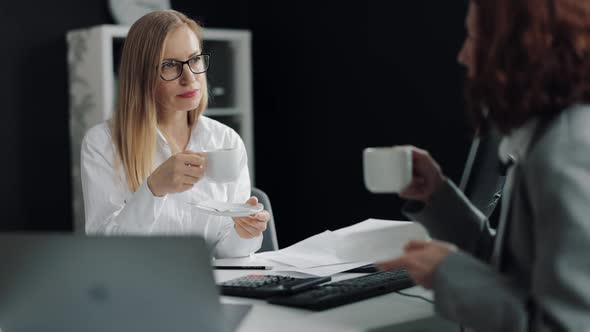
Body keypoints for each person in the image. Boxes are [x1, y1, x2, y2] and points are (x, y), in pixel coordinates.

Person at [378, 0, 590, 330]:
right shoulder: (547, 135)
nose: (463, 55)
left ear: (519, 48)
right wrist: (438, 196)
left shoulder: (564, 153)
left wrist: (447, 272)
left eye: (474, 38)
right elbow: (519, 268)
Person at [80, 10, 269, 258]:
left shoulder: (226, 140)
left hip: (213, 288)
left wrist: (245, 232)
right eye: (169, 65)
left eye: (194, 60)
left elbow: (227, 251)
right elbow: (105, 251)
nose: (189, 78)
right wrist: (153, 189)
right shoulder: (102, 143)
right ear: (141, 76)